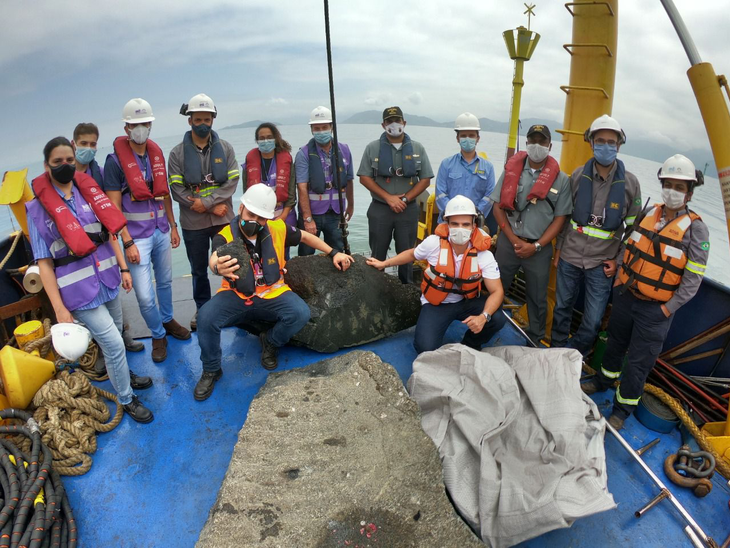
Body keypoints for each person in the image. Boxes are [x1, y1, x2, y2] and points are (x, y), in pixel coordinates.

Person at [25, 137, 153, 422]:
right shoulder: (38, 210)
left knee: (116, 338)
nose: (65, 166)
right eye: (57, 162)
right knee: (114, 344)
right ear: (46, 166)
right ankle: (126, 398)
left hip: (107, 279)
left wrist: (123, 269)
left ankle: (123, 376)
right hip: (79, 291)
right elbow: (45, 264)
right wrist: (59, 309)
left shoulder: (88, 193)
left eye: (69, 160)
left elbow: (110, 234)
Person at [582, 155, 709, 429]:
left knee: (639, 363)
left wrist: (667, 308)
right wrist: (617, 273)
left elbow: (693, 280)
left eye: (680, 186)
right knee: (614, 344)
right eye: (669, 184)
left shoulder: (696, 230)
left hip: (656, 309)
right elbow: (629, 246)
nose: (673, 191)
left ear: (689, 192)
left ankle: (621, 410)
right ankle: (602, 381)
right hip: (627, 297)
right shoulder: (649, 213)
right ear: (662, 183)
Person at [194, 185, 354, 401]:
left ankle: (270, 341)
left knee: (300, 313)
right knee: (206, 318)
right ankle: (212, 368)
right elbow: (215, 258)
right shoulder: (224, 236)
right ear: (241, 208)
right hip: (237, 295)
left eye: (261, 218)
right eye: (251, 214)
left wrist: (333, 252)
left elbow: (306, 237)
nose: (255, 222)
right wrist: (216, 267)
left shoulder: (278, 228)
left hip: (272, 291)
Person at [103, 98, 190, 364]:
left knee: (165, 283)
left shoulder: (155, 153)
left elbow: (164, 195)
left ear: (150, 124)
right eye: (134, 124)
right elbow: (114, 207)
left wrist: (173, 226)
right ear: (127, 127)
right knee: (144, 294)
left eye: (144, 123)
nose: (140, 128)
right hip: (137, 237)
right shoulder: (115, 162)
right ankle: (157, 334)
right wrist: (126, 242)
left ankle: (168, 321)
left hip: (161, 230)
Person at [367, 195, 506, 353]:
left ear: (474, 226)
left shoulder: (483, 254)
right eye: (455, 224)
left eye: (465, 224)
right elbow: (412, 254)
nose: (460, 229)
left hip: (467, 301)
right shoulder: (434, 243)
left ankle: (470, 343)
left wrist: (483, 317)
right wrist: (384, 263)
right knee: (424, 347)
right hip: (437, 304)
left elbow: (497, 291)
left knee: (497, 318)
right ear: (447, 224)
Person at [551, 114, 642, 355]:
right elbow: (566, 217)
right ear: (591, 143)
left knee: (592, 322)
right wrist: (559, 250)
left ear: (619, 145)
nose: (605, 146)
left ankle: (575, 354)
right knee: (562, 309)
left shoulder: (631, 184)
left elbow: (634, 232)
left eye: (611, 142)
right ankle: (555, 352)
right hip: (570, 255)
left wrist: (618, 261)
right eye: (600, 140)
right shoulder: (578, 176)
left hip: (602, 264)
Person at [490, 124, 573, 345]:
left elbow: (560, 218)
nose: (537, 146)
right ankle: (486, 327)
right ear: (527, 144)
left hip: (539, 249)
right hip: (509, 243)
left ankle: (535, 340)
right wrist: (513, 239)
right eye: (533, 141)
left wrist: (536, 246)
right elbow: (497, 206)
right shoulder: (511, 170)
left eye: (542, 142)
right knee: (495, 287)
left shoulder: (562, 180)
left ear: (550, 145)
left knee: (537, 298)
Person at [168, 94, 240, 331]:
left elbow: (232, 183)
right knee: (198, 270)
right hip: (193, 223)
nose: (202, 124)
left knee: (232, 262)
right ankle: (203, 309)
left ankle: (237, 305)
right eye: (197, 119)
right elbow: (176, 189)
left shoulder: (226, 148)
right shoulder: (177, 154)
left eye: (206, 119)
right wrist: (201, 204)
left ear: (213, 120)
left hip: (222, 218)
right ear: (189, 121)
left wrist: (206, 202)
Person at [72, 122, 144, 355]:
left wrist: (124, 259)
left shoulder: (99, 174)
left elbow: (109, 211)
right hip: (79, 250)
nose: (89, 148)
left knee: (113, 294)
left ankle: (123, 337)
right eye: (84, 144)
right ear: (73, 144)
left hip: (104, 244)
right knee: (90, 303)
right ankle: (101, 350)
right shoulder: (64, 178)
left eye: (93, 144)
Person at [358, 106, 434, 284]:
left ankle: (405, 288)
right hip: (380, 209)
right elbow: (364, 177)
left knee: (407, 253)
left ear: (404, 123)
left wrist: (405, 199)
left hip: (407, 210)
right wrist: (388, 198)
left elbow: (425, 179)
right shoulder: (372, 148)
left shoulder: (417, 148)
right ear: (383, 124)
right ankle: (376, 288)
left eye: (397, 120)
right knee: (377, 253)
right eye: (390, 121)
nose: (394, 124)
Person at [296, 106, 354, 255]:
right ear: (311, 130)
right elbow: (302, 187)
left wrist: (351, 206)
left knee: (337, 251)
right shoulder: (304, 154)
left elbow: (349, 180)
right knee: (306, 254)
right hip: (313, 213)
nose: (321, 131)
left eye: (324, 127)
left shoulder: (344, 150)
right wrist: (307, 219)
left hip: (336, 212)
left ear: (332, 128)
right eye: (317, 128)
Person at [435, 112, 495, 223]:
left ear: (478, 138)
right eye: (463, 136)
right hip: (447, 221)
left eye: (471, 135)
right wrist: (453, 213)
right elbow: (440, 194)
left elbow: (489, 196)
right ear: (457, 138)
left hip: (475, 223)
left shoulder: (488, 167)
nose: (467, 139)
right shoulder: (446, 164)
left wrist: (474, 214)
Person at [241, 122, 297, 227]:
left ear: (275, 139)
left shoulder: (286, 159)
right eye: (261, 138)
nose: (265, 141)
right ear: (257, 141)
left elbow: (291, 193)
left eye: (269, 137)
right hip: (258, 217)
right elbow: (246, 192)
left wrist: (283, 217)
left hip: (283, 215)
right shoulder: (250, 159)